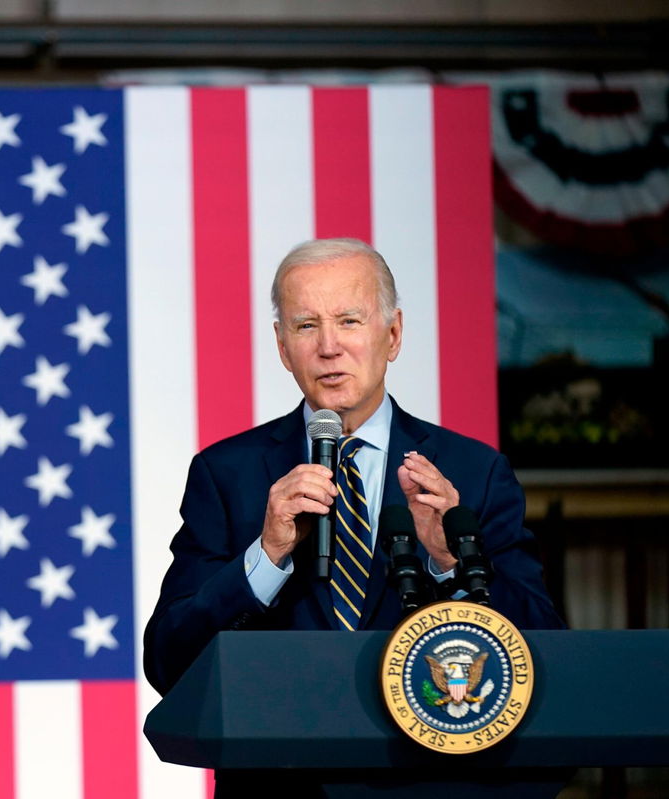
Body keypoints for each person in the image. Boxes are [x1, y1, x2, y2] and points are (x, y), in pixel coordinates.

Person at [143, 238, 563, 698]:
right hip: (282, 761)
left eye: (349, 321)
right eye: (306, 326)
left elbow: (544, 648)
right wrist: (266, 557)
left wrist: (449, 564)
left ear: (393, 335)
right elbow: (168, 660)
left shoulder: (474, 471)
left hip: (423, 763)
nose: (329, 347)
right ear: (283, 348)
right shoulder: (224, 474)